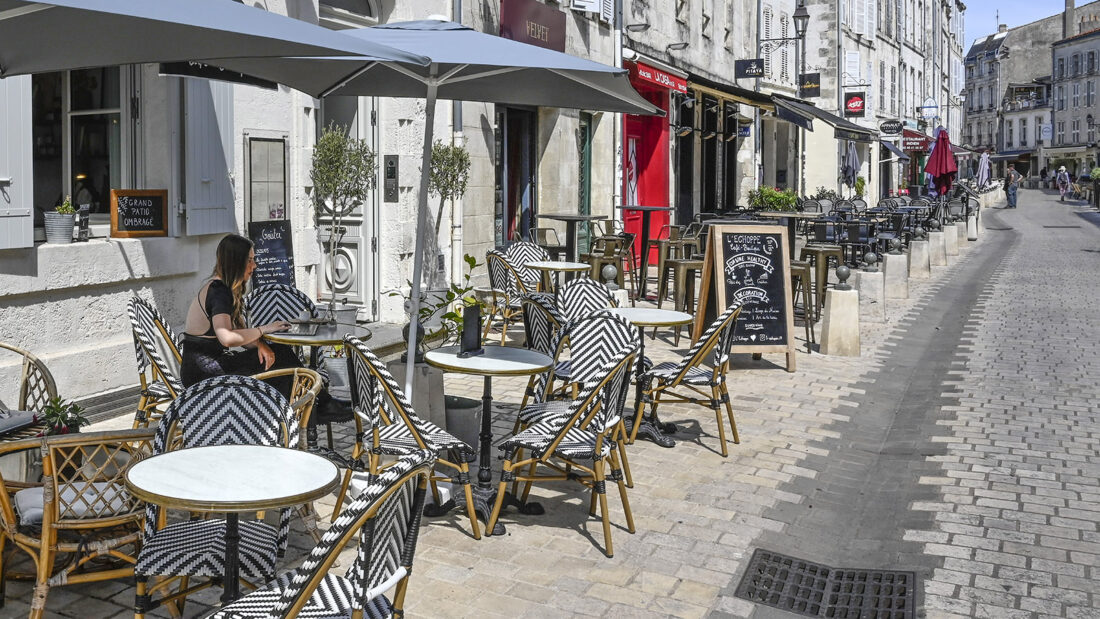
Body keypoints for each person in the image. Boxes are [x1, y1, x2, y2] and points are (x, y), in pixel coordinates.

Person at [181, 233, 350, 420]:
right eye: (250, 260)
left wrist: (262, 345)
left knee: (278, 353)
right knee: (281, 360)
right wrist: (264, 329)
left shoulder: (225, 289)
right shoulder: (219, 292)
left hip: (212, 365)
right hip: (205, 373)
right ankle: (310, 409)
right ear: (236, 262)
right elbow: (227, 338)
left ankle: (313, 407)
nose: (254, 266)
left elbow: (242, 335)